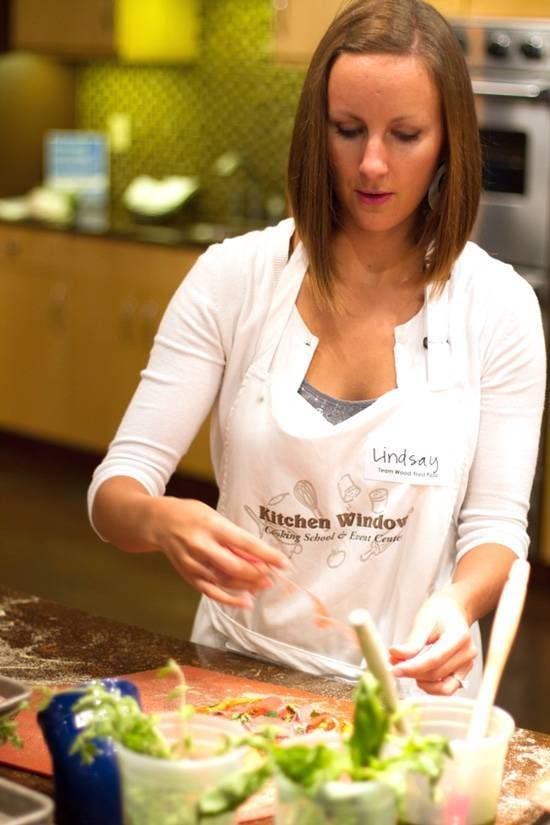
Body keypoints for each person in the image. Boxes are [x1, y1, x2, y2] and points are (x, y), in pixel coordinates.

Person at [88, 0, 545, 697]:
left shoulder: (499, 307)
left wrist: (458, 605)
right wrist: (159, 518)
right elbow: (114, 491)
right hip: (236, 681)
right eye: (348, 130)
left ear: (450, 140)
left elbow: (498, 531)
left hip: (412, 700)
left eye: (406, 134)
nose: (372, 164)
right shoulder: (235, 277)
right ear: (315, 129)